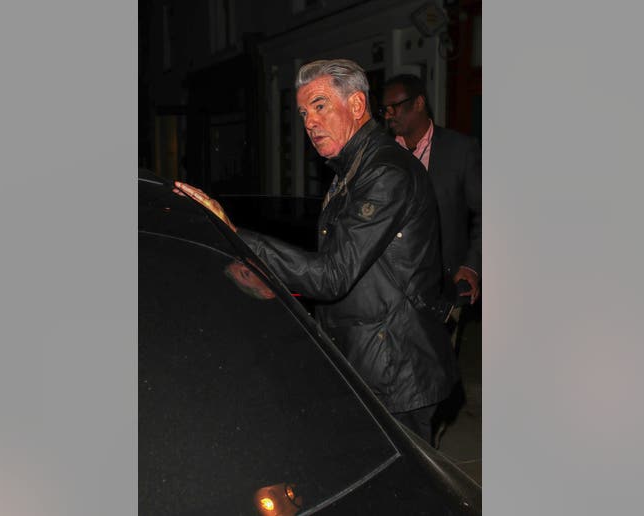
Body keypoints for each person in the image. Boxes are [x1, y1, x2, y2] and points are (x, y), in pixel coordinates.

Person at [176, 59, 456, 442]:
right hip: (369, 361)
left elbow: (332, 275)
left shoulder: (385, 172)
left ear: (357, 106)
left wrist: (232, 232)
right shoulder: (352, 169)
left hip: (395, 370)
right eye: (304, 112)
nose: (309, 122)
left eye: (320, 105)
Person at [381, 74, 482, 446]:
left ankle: (426, 453)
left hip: (440, 287)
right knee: (392, 380)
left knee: (432, 382)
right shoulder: (381, 153)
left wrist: (471, 266)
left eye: (397, 107)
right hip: (389, 288)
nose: (389, 115)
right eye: (385, 109)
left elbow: (485, 212)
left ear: (420, 103)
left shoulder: (459, 150)